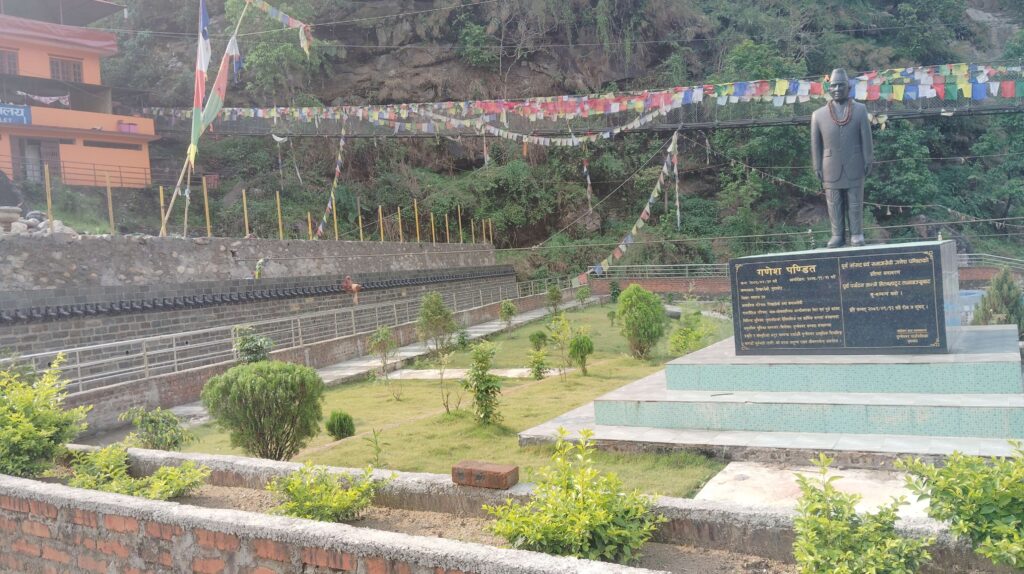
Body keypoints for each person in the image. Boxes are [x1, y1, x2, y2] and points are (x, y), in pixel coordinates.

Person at [810, 68, 874, 248]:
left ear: (849, 87)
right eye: (833, 86)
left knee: (855, 201)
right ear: (828, 89)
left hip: (855, 162)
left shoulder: (860, 110)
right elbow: (816, 144)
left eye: (841, 85)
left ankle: (857, 234)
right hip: (829, 164)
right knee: (833, 202)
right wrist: (817, 166)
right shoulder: (818, 115)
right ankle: (837, 235)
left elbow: (866, 138)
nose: (837, 89)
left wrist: (869, 158)